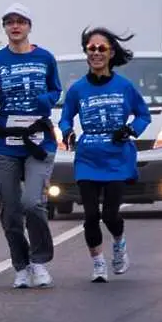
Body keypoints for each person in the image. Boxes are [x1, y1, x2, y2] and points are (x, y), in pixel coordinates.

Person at [0, 3, 61, 289]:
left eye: (21, 22)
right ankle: (21, 264)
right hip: (6, 142)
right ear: (5, 27)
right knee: (10, 207)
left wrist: (45, 101)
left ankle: (39, 261)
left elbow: (56, 90)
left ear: (29, 26)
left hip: (38, 141)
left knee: (32, 203)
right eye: (10, 22)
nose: (15, 27)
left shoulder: (45, 57)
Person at [59, 27, 150, 282]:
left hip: (117, 158)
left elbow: (144, 115)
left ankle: (119, 243)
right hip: (88, 159)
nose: (96, 53)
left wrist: (130, 129)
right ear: (86, 53)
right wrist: (68, 133)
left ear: (111, 54)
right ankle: (98, 263)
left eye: (102, 49)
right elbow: (65, 118)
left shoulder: (124, 86)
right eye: (92, 48)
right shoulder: (77, 89)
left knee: (110, 214)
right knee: (90, 216)